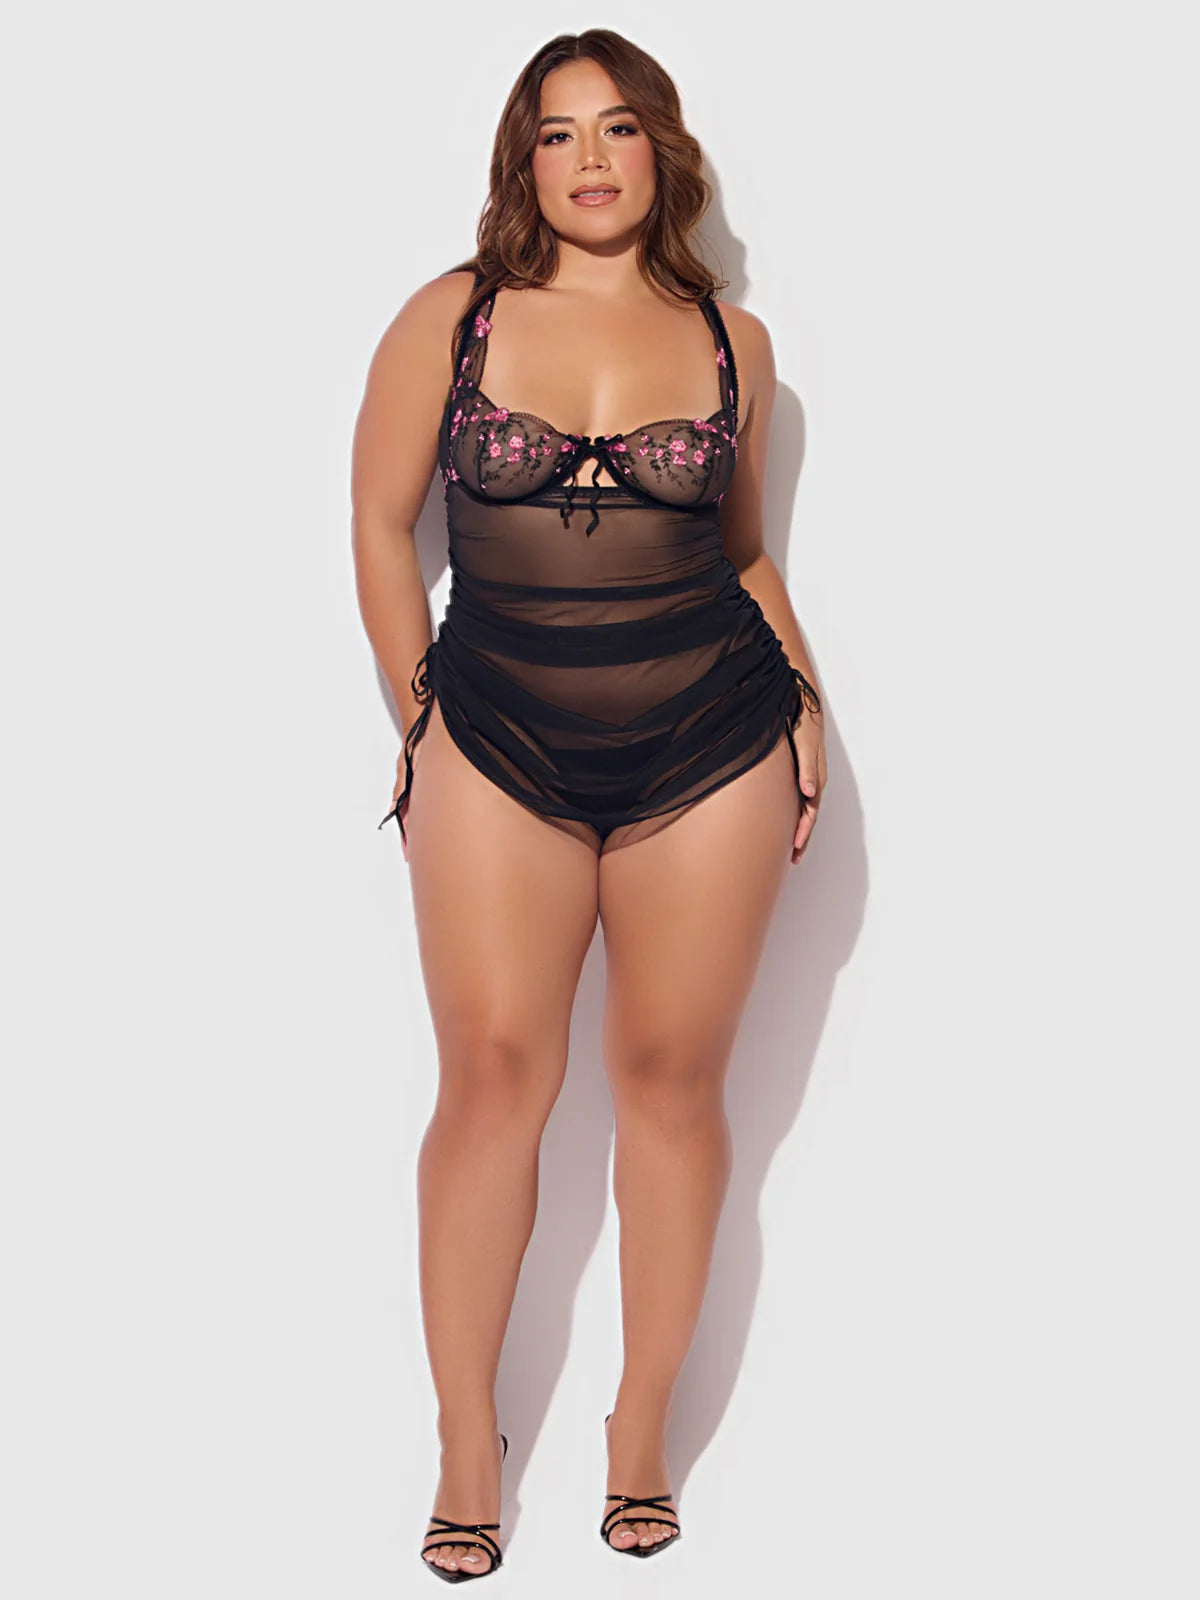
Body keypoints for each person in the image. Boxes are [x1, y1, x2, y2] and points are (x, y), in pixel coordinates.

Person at [351, 27, 826, 1583]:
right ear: (524, 163)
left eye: (617, 128)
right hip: (495, 737)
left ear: (661, 150)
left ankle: (639, 1434)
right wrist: (417, 715)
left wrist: (808, 701)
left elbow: (743, 551)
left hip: (715, 739)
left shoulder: (733, 343)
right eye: (557, 135)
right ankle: (466, 1440)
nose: (591, 159)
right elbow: (378, 521)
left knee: (674, 1086)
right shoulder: (453, 318)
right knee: (493, 1076)